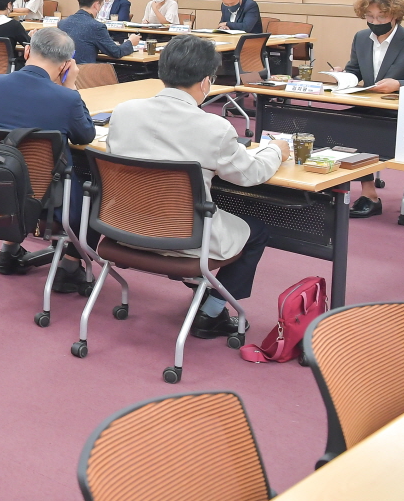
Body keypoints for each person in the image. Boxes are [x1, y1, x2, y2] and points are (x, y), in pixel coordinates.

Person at [106, 35, 289, 339]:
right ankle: (212, 312)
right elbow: (251, 174)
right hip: (181, 238)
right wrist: (276, 151)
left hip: (123, 227)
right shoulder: (214, 128)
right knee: (256, 231)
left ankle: (203, 293)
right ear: (206, 82)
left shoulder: (123, 112)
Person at [0, 27, 96, 289]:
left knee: (18, 160)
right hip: (49, 200)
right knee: (97, 189)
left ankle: (9, 250)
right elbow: (85, 136)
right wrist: (71, 86)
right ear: (66, 65)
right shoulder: (66, 98)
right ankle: (70, 266)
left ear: (27, 51)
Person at [336, 0, 404, 219]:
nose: (375, 22)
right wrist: (343, 75)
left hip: (398, 113)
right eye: (370, 16)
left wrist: (399, 84)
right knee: (333, 123)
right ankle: (344, 189)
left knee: (359, 131)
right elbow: (355, 71)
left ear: (395, 15)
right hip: (369, 108)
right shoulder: (361, 38)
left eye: (381, 17)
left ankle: (369, 196)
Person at [58, 0, 134, 64]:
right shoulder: (97, 26)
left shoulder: (62, 23)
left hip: (64, 70)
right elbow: (116, 52)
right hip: (85, 70)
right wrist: (130, 42)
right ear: (96, 5)